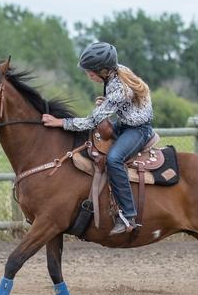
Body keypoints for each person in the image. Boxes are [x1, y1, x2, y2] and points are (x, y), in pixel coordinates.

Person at [42, 42, 154, 235]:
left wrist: (61, 123)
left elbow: (93, 120)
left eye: (91, 72)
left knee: (114, 159)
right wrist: (107, 104)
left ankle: (128, 215)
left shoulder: (119, 88)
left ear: (103, 70)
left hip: (138, 130)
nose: (89, 76)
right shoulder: (117, 73)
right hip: (125, 124)